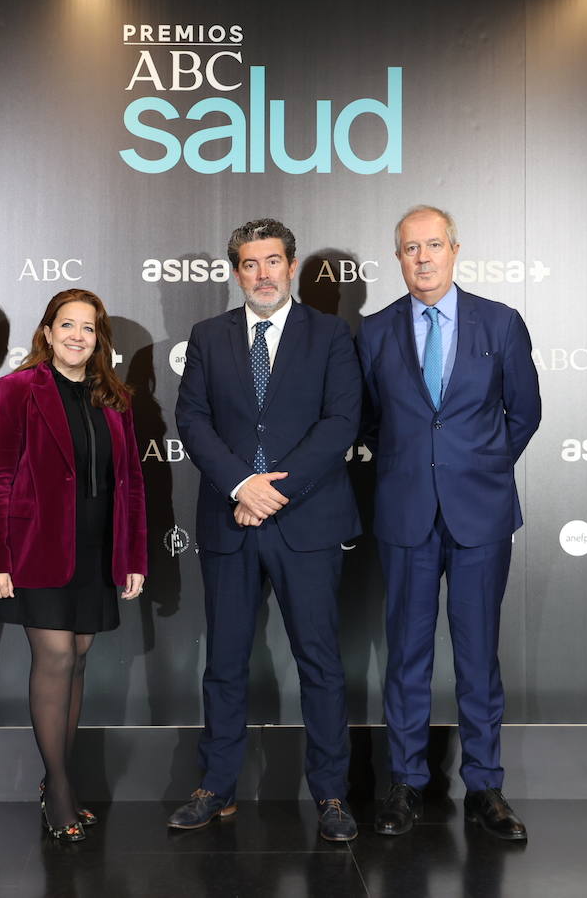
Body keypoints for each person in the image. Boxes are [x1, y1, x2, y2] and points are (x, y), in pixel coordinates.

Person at [172, 219, 361, 842]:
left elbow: (341, 422)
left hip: (305, 520)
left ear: (292, 264)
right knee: (224, 662)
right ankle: (215, 787)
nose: (263, 274)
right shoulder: (208, 336)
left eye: (273, 261)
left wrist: (273, 491)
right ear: (236, 271)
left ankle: (332, 794)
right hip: (231, 520)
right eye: (250, 264)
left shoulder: (331, 334)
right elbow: (192, 418)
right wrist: (240, 486)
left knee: (320, 662)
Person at [357, 206, 541, 840]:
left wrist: (479, 469)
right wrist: (420, 469)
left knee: (477, 657)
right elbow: (370, 421)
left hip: (480, 516)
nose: (423, 258)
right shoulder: (375, 331)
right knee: (406, 656)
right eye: (410, 248)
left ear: (455, 250)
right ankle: (406, 784)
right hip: (406, 514)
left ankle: (486, 787)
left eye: (434, 245)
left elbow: (525, 412)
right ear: (398, 256)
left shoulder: (501, 322)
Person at [0, 288, 147, 842]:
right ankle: (59, 789)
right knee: (53, 656)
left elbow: (133, 485)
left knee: (76, 659)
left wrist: (133, 557)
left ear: (100, 340)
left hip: (96, 552)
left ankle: (59, 781)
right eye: (67, 325)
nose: (77, 336)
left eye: (89, 328)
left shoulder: (116, 397)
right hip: (36, 550)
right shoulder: (18, 389)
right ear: (47, 332)